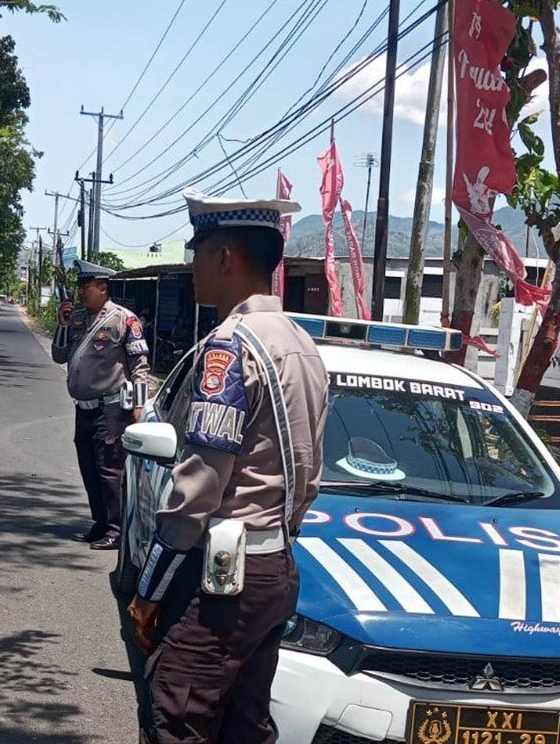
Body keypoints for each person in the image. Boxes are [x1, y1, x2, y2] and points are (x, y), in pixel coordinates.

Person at [128, 189, 329, 744]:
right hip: (275, 568)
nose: (192, 266)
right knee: (245, 723)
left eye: (198, 252)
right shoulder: (302, 345)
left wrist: (148, 592)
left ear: (225, 258)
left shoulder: (230, 348)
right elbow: (308, 474)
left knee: (177, 711)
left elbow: (199, 486)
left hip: (224, 578)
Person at [52, 259, 151, 551]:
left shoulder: (124, 320)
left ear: (102, 288)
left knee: (110, 470)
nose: (81, 292)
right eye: (80, 287)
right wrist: (62, 325)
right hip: (83, 408)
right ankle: (99, 522)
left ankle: (115, 528)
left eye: (86, 287)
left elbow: (140, 365)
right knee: (88, 467)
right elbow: (59, 355)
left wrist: (138, 406)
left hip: (111, 408)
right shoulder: (79, 319)